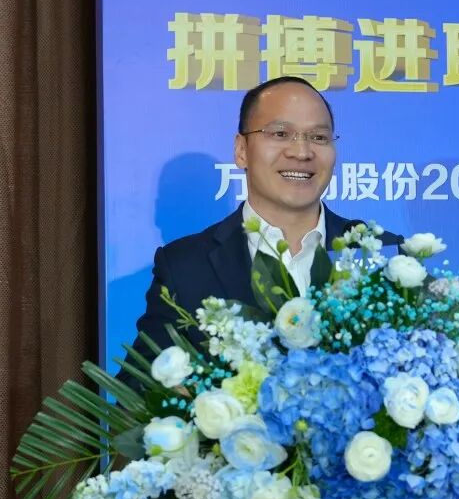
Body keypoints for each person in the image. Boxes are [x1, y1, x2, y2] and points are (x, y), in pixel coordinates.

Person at [127, 76, 401, 357]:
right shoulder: (185, 266)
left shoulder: (386, 255)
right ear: (241, 150)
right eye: (280, 134)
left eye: (318, 137)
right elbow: (143, 379)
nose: (302, 152)